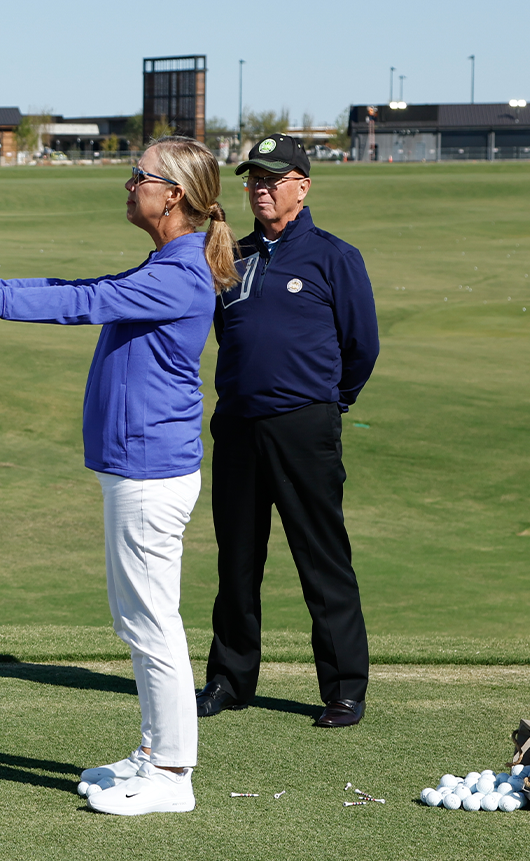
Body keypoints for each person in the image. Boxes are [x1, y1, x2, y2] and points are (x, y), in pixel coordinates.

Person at [0, 136, 236, 816]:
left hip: (149, 471)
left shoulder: (180, 272)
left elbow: (82, 301)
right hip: (137, 467)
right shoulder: (167, 263)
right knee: (138, 619)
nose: (129, 184)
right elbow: (79, 289)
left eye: (141, 176)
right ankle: (156, 752)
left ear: (174, 196)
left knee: (152, 621)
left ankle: (173, 775)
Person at [194, 134, 379, 728]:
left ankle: (344, 689)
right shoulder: (230, 253)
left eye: (274, 179)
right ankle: (229, 679)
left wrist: (326, 403)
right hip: (240, 426)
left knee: (321, 559)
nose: (262, 189)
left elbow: (361, 348)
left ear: (303, 185)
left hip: (304, 426)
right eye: (253, 179)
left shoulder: (334, 256)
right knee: (238, 560)